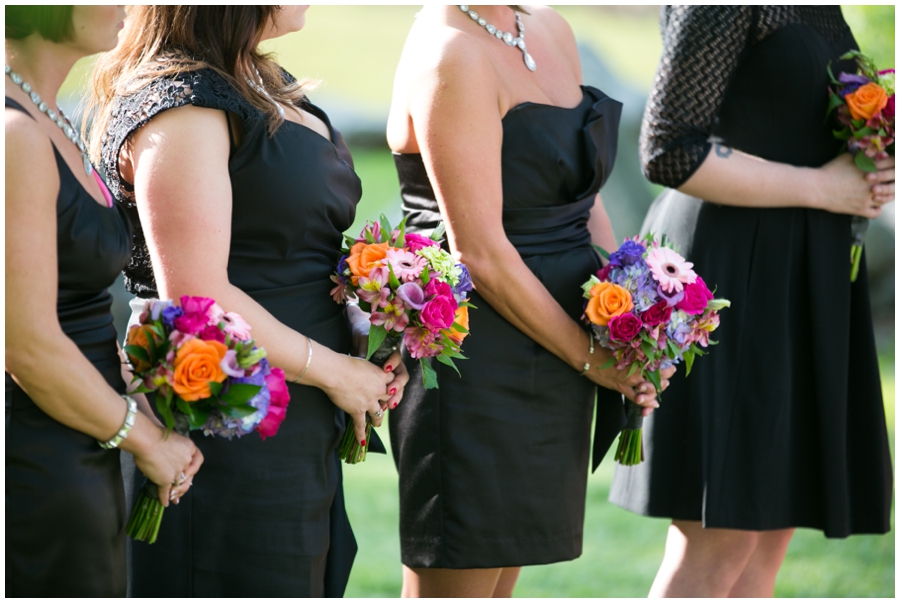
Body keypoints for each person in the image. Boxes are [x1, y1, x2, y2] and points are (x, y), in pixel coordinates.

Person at [87, 5, 409, 597]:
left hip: (300, 417)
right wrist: (335, 370)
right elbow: (199, 293)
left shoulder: (261, 78)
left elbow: (288, 244)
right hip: (225, 418)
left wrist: (371, 316)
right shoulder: (181, 103)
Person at [386, 5, 674, 597]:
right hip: (477, 361)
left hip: (559, 347)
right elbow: (480, 253)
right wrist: (593, 360)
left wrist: (628, 321)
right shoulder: (452, 53)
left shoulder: (550, 28)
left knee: (502, 580)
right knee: (462, 573)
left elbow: (580, 195)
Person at [608, 5, 894, 598]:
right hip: (736, 270)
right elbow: (667, 148)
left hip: (803, 271)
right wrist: (825, 187)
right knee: (723, 539)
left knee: (768, 536)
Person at [5, 5, 203, 597]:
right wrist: (148, 443)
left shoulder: (51, 118)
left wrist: (135, 405)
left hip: (87, 432)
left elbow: (80, 304)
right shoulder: (12, 136)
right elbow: (27, 345)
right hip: (37, 455)